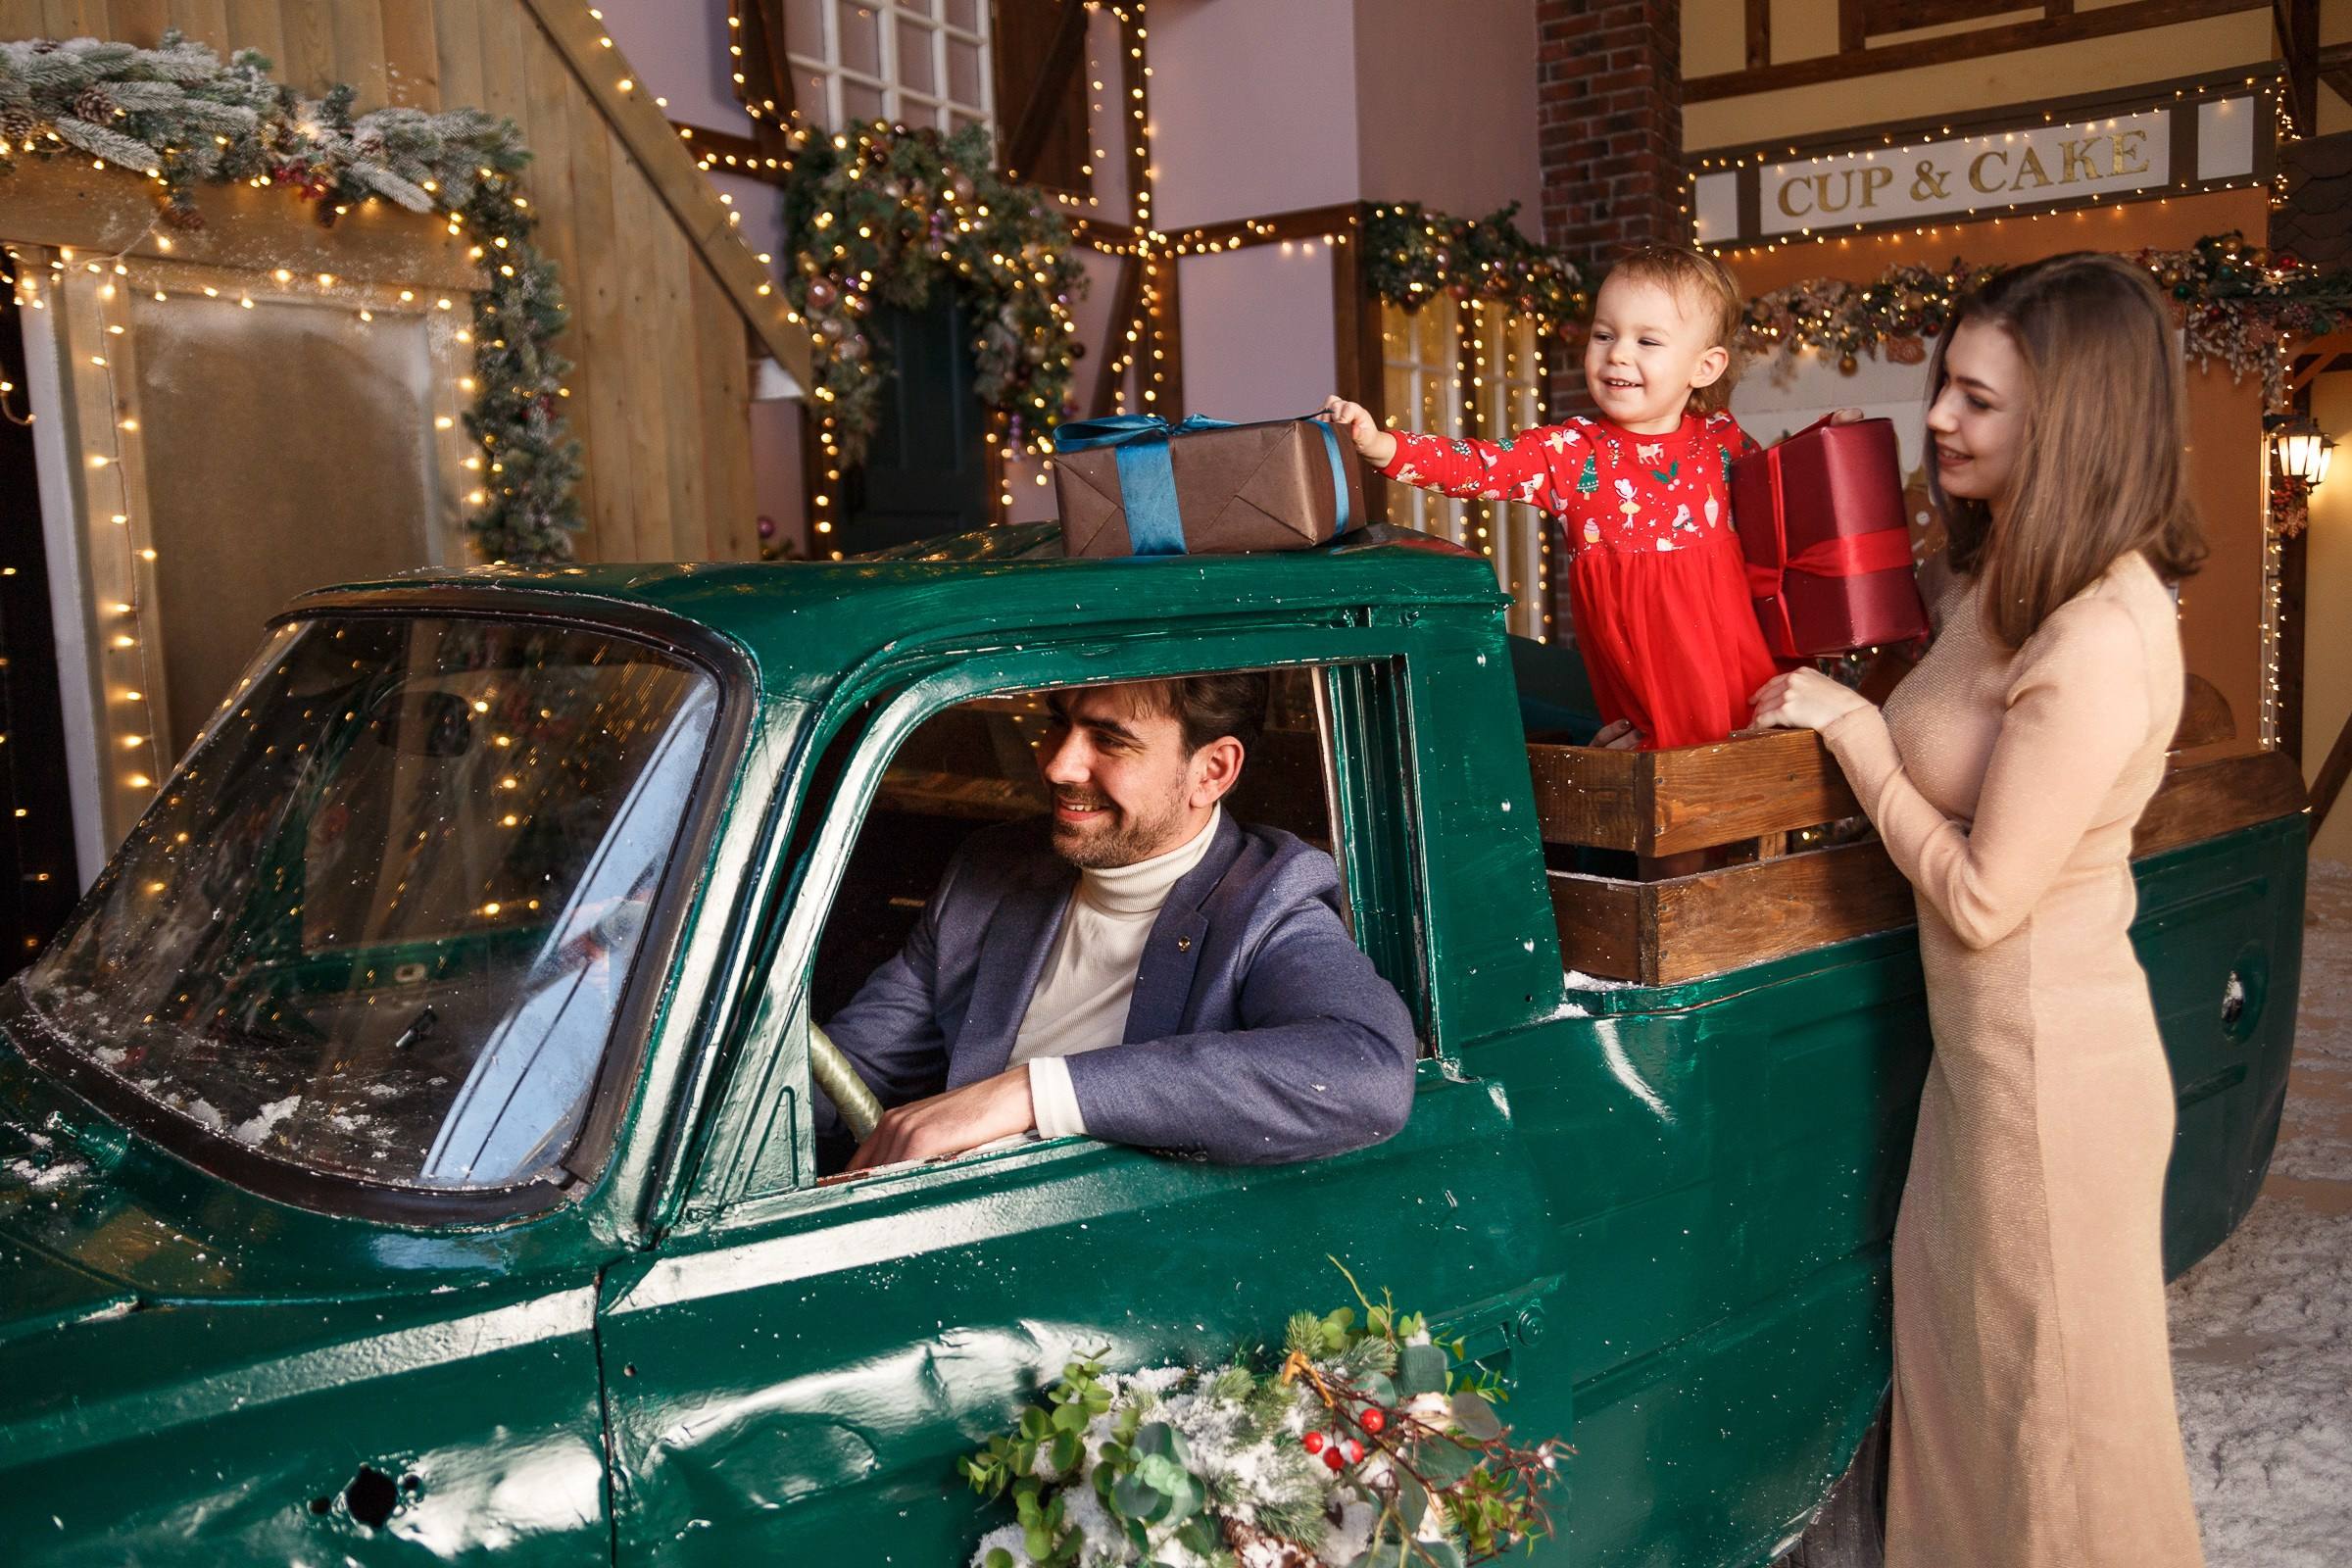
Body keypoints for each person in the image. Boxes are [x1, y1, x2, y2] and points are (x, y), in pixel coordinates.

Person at [1750, 253, 2207, 1568]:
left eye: (1978, 399)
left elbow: (1987, 898)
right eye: (1943, 384)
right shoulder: (1992, 584)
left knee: (2059, 1457)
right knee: (1968, 1432)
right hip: (1985, 1076)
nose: (1939, 418)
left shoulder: (2104, 634)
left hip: (2055, 1090)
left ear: (2073, 421)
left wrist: (1857, 741)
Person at [820, 672, 1419, 1172]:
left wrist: (1031, 1092)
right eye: (1059, 721)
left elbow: (1367, 1069)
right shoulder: (993, 868)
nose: (1058, 765)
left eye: (1109, 741)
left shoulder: (1269, 900)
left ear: (1211, 771)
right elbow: (857, 1068)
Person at [1322, 244, 1781, 751]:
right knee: (1662, 781)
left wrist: (1838, 439)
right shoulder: (1570, 453)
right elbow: (1475, 465)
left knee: (1749, 771)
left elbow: (1786, 494)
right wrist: (1379, 443)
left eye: (1647, 340)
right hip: (1644, 687)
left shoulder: (1720, 440)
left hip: (1735, 667)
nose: (1618, 353)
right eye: (1604, 334)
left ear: (1706, 367)